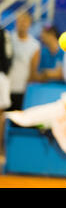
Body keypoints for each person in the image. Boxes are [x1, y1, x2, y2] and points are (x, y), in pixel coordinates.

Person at [7, 12, 40, 111]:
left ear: (29, 24)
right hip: (5, 87)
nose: (22, 24)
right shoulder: (7, 39)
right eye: (20, 21)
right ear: (16, 23)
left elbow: (33, 70)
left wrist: (27, 88)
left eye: (25, 21)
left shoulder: (34, 45)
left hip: (21, 89)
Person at [0, 27, 12, 159]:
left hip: (1, 76)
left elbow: (8, 56)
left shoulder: (4, 33)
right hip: (2, 76)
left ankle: (1, 149)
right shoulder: (4, 33)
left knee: (1, 115)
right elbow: (8, 57)